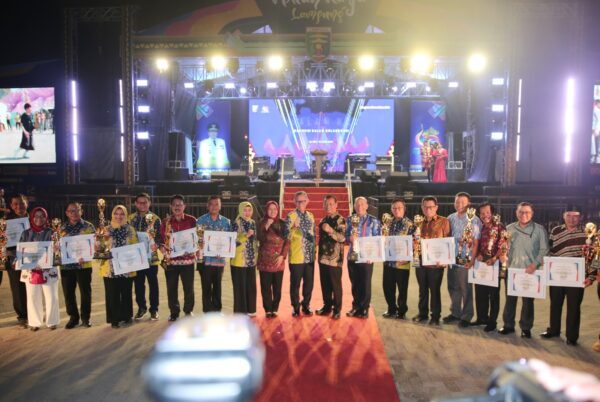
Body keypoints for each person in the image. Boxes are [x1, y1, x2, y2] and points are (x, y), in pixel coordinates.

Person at [540, 206, 595, 346]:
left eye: (575, 216)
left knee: (574, 307)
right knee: (555, 304)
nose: (572, 219)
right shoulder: (556, 231)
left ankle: (571, 336)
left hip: (577, 277)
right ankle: (554, 330)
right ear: (564, 216)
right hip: (557, 275)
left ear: (580, 217)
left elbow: (593, 257)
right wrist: (545, 262)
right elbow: (550, 250)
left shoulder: (587, 233)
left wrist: (591, 277)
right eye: (569, 215)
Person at [499, 202, 548, 338]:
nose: (523, 214)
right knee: (510, 299)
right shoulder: (509, 228)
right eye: (521, 212)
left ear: (532, 214)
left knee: (528, 302)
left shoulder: (539, 229)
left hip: (530, 271)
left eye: (527, 212)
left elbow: (544, 249)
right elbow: (504, 247)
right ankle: (508, 325)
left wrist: (535, 264)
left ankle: (526, 328)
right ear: (516, 213)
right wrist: (503, 255)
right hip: (512, 270)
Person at [19, 207, 60, 331]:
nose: (39, 219)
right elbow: (21, 252)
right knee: (32, 296)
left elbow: (58, 252)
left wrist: (57, 250)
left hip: (49, 269)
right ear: (32, 218)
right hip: (30, 270)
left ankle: (52, 321)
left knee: (52, 296)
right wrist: (31, 263)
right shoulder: (25, 233)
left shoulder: (52, 232)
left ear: (46, 218)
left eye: (42, 216)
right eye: (36, 216)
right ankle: (35, 322)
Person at [412, 196, 451, 325]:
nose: (428, 209)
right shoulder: (418, 222)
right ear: (422, 207)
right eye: (425, 207)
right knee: (422, 289)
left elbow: (448, 241)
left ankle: (435, 316)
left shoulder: (444, 221)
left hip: (436, 263)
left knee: (435, 290)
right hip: (420, 261)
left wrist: (446, 259)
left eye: (431, 207)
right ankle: (422, 313)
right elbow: (414, 240)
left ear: (436, 207)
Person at [445, 192, 481, 327]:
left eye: (462, 202)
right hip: (451, 258)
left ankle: (466, 316)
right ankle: (455, 313)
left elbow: (476, 242)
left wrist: (472, 260)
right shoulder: (450, 218)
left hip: (465, 259)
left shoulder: (474, 219)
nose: (459, 204)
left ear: (468, 204)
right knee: (452, 287)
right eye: (457, 202)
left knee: (465, 289)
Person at [98, 205, 138, 328]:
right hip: (110, 268)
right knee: (112, 294)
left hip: (127, 267)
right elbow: (100, 248)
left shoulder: (130, 230)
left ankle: (126, 316)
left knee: (126, 292)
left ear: (126, 215)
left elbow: (135, 246)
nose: (119, 216)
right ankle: (114, 319)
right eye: (116, 213)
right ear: (112, 215)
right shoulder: (105, 229)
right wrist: (98, 243)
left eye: (122, 214)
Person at [159, 195, 197, 322]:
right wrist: (162, 247)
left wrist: (195, 247)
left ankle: (188, 310)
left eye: (180, 204)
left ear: (184, 206)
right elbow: (161, 239)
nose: (177, 207)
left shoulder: (192, 220)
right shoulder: (165, 222)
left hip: (188, 260)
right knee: (171, 288)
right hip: (171, 261)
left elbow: (197, 237)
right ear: (171, 206)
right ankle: (174, 312)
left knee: (189, 287)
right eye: (174, 205)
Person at [60, 202, 96, 329]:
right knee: (68, 293)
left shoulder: (89, 226)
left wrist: (87, 254)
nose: (74, 213)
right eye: (71, 211)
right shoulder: (61, 228)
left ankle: (86, 318)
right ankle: (73, 318)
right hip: (66, 266)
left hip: (83, 265)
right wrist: (56, 248)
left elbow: (94, 245)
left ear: (81, 211)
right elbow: (58, 246)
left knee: (85, 292)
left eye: (76, 210)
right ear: (66, 213)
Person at [345, 196, 381, 319]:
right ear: (354, 207)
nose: (359, 206)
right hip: (353, 255)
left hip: (367, 257)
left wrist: (374, 255)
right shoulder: (349, 220)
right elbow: (345, 236)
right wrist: (349, 238)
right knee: (355, 283)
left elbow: (378, 239)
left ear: (366, 206)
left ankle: (364, 308)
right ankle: (355, 306)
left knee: (365, 283)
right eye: (357, 204)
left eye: (362, 204)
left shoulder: (374, 221)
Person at [473, 202, 506, 332]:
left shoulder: (499, 226)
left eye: (487, 212)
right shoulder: (479, 227)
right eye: (482, 213)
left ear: (492, 213)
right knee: (480, 293)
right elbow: (476, 244)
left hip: (494, 264)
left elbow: (503, 245)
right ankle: (481, 318)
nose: (485, 215)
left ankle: (492, 322)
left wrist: (495, 258)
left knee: (493, 295)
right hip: (481, 264)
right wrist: (478, 254)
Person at [129, 193, 161, 321]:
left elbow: (159, 237)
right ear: (136, 204)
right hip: (136, 258)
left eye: (145, 202)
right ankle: (141, 308)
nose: (142, 205)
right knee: (138, 284)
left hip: (151, 258)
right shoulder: (130, 218)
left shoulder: (156, 219)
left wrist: (156, 244)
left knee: (153, 284)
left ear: (149, 203)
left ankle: (154, 309)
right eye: (140, 202)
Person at [196, 196, 231, 313]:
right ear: (207, 206)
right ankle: (207, 310)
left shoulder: (226, 222)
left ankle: (217, 310)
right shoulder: (200, 221)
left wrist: (225, 251)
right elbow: (196, 239)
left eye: (217, 204)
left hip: (219, 260)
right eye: (212, 204)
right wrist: (200, 244)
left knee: (217, 285)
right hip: (204, 260)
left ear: (220, 206)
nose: (214, 206)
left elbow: (229, 241)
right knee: (206, 286)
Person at [382, 198, 415, 320]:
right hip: (388, 261)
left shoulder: (410, 225)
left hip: (402, 262)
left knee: (402, 288)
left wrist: (408, 258)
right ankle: (391, 309)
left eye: (399, 208)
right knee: (387, 287)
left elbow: (414, 244)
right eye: (394, 208)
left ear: (404, 209)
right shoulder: (387, 223)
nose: (397, 210)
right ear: (391, 209)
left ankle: (401, 311)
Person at [285, 191, 316, 317]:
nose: (301, 203)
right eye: (298, 201)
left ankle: (306, 305)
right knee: (295, 284)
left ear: (307, 201)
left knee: (309, 284)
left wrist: (314, 251)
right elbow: (286, 236)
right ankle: (295, 307)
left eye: (303, 201)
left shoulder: (311, 216)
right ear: (294, 202)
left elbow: (313, 235)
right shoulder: (291, 216)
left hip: (309, 256)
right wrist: (293, 227)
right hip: (296, 257)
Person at [316, 195, 346, 320]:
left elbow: (342, 238)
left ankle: (337, 310)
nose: (328, 206)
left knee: (335, 285)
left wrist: (330, 231)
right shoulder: (323, 220)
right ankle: (327, 306)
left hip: (335, 259)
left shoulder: (340, 220)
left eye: (331, 204)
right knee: (325, 285)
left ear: (336, 205)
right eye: (326, 204)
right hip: (323, 258)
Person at [257, 201, 289, 318]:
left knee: (277, 288)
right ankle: (268, 309)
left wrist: (282, 256)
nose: (273, 211)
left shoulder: (283, 223)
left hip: (278, 261)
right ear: (266, 210)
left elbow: (287, 241)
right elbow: (259, 238)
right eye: (270, 209)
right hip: (265, 261)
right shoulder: (261, 222)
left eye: (275, 209)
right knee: (265, 287)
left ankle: (275, 308)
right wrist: (266, 227)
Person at [4, 194, 29, 326]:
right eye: (15, 204)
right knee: (17, 287)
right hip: (14, 258)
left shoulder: (36, 217)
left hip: (32, 256)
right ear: (11, 206)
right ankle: (23, 315)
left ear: (27, 203)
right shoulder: (6, 222)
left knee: (33, 286)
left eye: (22, 203)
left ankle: (34, 313)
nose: (19, 206)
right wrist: (5, 250)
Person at [230, 202, 258, 315]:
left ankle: (251, 309)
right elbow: (232, 242)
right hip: (238, 260)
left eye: (249, 210)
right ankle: (240, 311)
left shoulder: (253, 222)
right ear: (240, 210)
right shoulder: (236, 223)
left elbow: (255, 240)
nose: (247, 213)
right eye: (245, 210)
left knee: (251, 286)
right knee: (240, 287)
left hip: (251, 260)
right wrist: (245, 236)